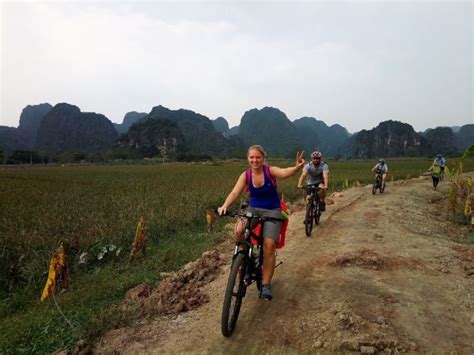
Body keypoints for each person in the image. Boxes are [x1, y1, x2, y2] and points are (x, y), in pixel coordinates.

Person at [218, 145, 305, 301]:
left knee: (269, 244)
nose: (254, 160)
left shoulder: (269, 171)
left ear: (263, 158)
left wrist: (297, 167)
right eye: (251, 157)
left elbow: (285, 173)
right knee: (239, 231)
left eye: (258, 157)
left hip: (273, 211)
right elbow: (235, 192)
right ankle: (243, 259)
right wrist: (225, 205)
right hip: (253, 210)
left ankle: (265, 285)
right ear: (248, 158)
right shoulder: (246, 175)